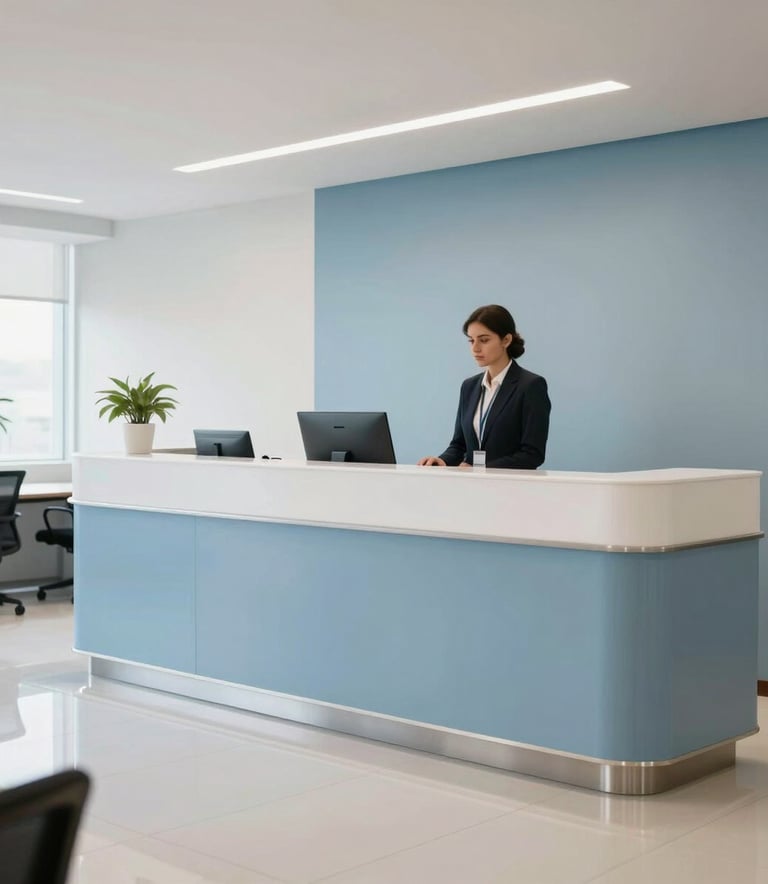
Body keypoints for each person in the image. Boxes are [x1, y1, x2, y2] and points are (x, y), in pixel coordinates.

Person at [418, 305, 550, 469]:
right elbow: (459, 445)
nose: (475, 348)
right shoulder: (469, 386)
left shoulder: (531, 386)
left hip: (511, 488)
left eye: (484, 340)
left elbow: (532, 455)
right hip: (472, 486)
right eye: (471, 340)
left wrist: (481, 469)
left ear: (506, 340)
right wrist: (442, 460)